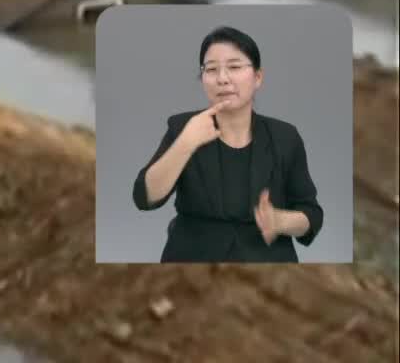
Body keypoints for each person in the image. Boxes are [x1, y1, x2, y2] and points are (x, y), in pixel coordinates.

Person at [132, 26, 324, 262]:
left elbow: (312, 214)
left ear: (258, 77)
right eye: (211, 69)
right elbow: (144, 197)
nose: (222, 79)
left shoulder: (285, 136)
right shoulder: (183, 127)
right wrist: (185, 143)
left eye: (234, 67)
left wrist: (280, 221)